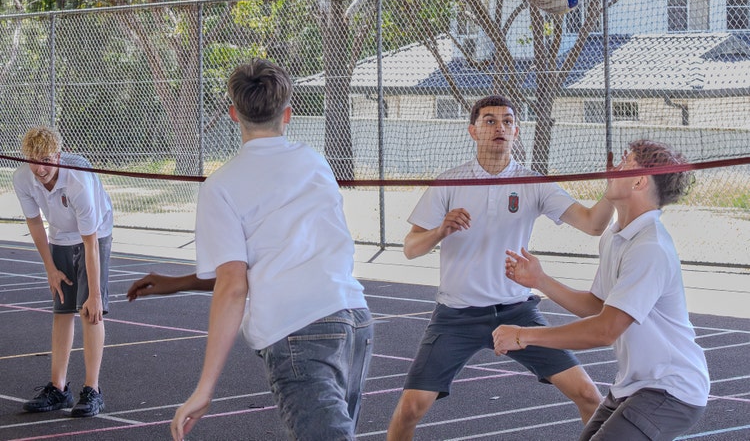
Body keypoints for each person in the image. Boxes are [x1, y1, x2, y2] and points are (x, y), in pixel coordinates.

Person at [163, 58, 373, 441]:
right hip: (353, 320)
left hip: (297, 329)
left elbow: (232, 285)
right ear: (287, 113)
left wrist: (204, 389)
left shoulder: (221, 187)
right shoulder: (316, 162)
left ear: (233, 113)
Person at [387, 95, 615, 440]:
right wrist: (440, 231)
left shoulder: (532, 183)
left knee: (589, 396)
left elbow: (593, 225)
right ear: (472, 131)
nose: (500, 127)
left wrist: (615, 188)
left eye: (507, 121)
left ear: (517, 132)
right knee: (410, 410)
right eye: (490, 120)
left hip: (517, 312)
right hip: (456, 316)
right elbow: (410, 249)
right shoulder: (450, 182)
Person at [493, 139, 709, 440]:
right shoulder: (615, 236)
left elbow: (605, 330)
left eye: (624, 163)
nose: (612, 170)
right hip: (634, 385)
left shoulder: (650, 248)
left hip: (671, 389)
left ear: (638, 180)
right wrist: (540, 281)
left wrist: (524, 335)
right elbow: (599, 305)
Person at [13, 126, 113, 417]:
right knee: (61, 310)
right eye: (33, 159)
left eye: (46, 159)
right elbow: (34, 224)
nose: (40, 167)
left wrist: (94, 294)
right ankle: (59, 389)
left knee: (89, 312)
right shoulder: (23, 178)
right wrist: (51, 269)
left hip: (95, 234)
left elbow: (90, 241)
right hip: (59, 235)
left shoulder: (77, 181)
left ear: (58, 155)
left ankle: (92, 390)